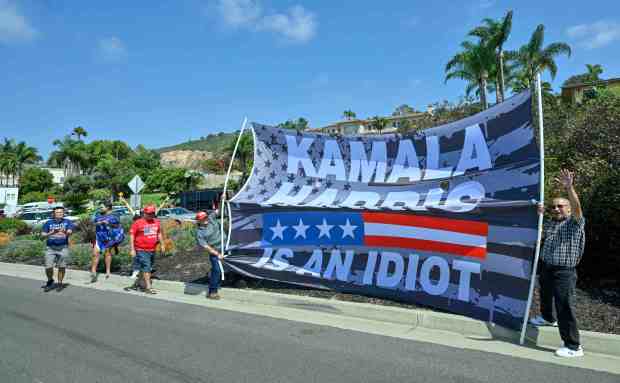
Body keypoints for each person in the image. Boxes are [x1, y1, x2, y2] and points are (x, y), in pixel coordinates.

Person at [530, 169, 586, 358]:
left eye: (560, 206)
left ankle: (573, 346)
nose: (556, 209)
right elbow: (540, 227)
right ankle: (547, 318)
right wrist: (540, 212)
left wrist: (569, 188)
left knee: (564, 304)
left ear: (569, 209)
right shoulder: (551, 223)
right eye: (553, 207)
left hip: (564, 271)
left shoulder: (574, 223)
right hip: (547, 266)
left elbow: (578, 208)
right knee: (544, 294)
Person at [127, 204, 163, 294]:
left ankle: (137, 284)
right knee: (147, 267)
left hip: (152, 249)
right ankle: (148, 288)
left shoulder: (156, 222)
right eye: (149, 213)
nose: (151, 215)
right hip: (141, 249)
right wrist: (132, 249)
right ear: (144, 213)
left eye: (152, 213)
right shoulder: (138, 223)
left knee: (145, 267)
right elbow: (132, 236)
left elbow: (159, 233)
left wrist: (162, 244)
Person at [41, 206, 74, 292]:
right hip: (50, 248)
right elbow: (42, 236)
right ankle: (50, 280)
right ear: (54, 214)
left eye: (61, 212)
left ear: (63, 213)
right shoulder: (48, 223)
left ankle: (60, 283)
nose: (59, 214)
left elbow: (70, 232)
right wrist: (52, 232)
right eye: (57, 212)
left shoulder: (68, 222)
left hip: (63, 247)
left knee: (62, 266)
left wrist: (64, 231)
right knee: (48, 266)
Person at [90, 202, 124, 282]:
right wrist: (97, 223)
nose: (100, 208)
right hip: (99, 237)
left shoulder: (115, 215)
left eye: (102, 207)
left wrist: (108, 223)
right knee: (95, 254)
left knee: (107, 254)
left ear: (108, 207)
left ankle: (108, 271)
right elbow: (93, 222)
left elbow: (117, 225)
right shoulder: (98, 214)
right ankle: (93, 272)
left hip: (109, 238)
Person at [195, 211, 224, 300]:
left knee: (226, 267)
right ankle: (212, 292)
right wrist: (217, 254)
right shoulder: (199, 233)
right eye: (202, 219)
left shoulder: (211, 218)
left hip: (225, 246)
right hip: (215, 251)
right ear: (199, 221)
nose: (205, 220)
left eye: (205, 218)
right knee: (217, 270)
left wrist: (222, 198)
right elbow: (206, 247)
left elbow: (219, 209)